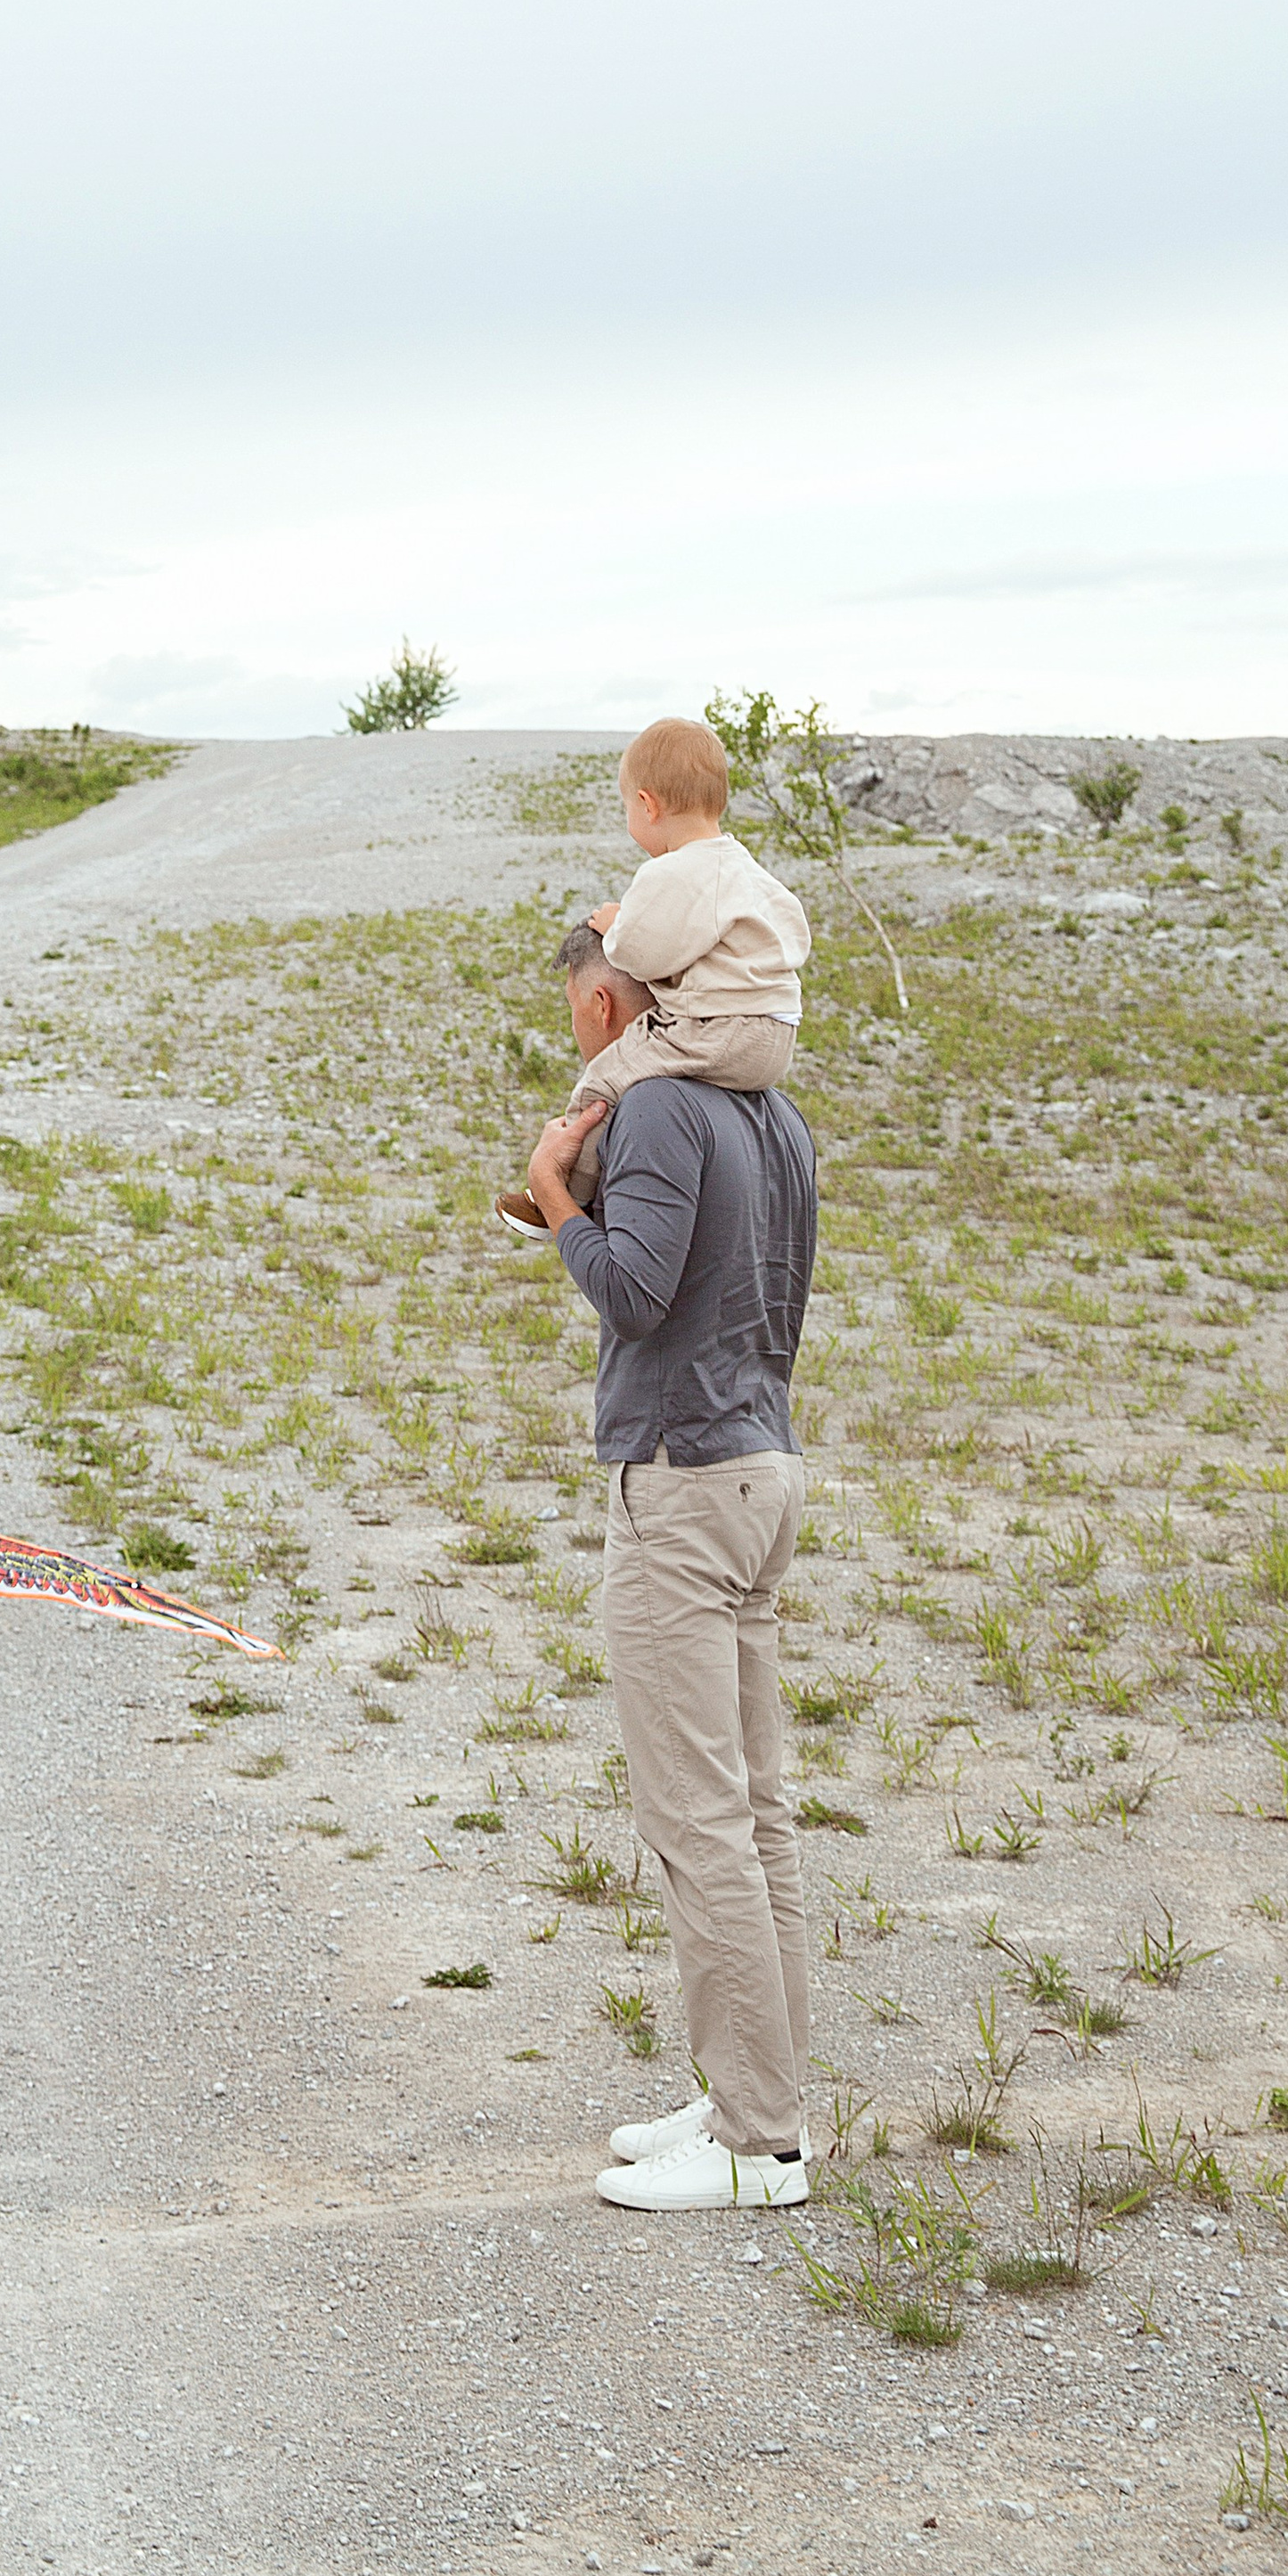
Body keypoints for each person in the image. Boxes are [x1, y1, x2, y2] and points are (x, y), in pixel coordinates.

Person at [526, 919, 819, 2212]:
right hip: (761, 1461)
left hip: (682, 1481)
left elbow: (635, 1295)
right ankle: (757, 2100)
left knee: (697, 1821)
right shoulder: (775, 1114)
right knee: (755, 1814)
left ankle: (757, 2145)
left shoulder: (650, 1108)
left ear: (606, 1007)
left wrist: (554, 1195)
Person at [494, 714, 809, 1235]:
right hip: (777, 1034)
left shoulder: (672, 872)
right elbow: (793, 933)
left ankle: (564, 1197)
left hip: (723, 1029)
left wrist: (617, 926)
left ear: (647, 804)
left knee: (604, 1082)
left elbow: (638, 956)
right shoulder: (750, 872)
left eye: (626, 808)